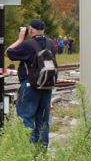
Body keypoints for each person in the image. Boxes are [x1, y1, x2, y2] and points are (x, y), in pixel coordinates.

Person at [5, 19, 58, 147]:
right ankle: (40, 153)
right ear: (43, 30)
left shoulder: (28, 44)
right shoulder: (51, 44)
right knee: (43, 121)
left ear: (31, 30)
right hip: (46, 86)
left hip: (30, 87)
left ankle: (27, 151)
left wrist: (20, 39)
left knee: (26, 118)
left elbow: (7, 53)